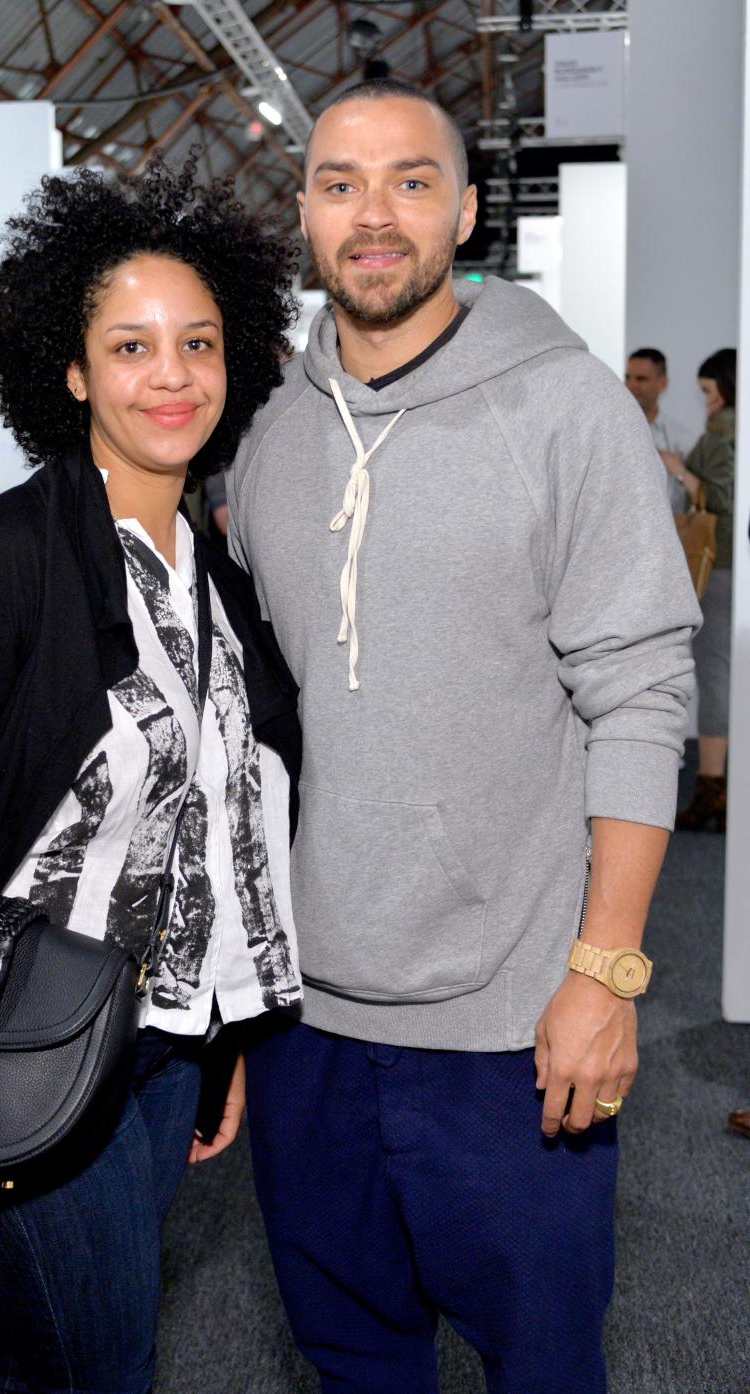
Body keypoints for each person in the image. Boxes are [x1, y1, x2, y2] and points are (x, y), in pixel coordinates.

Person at [228, 78, 700, 1394]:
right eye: (339, 184)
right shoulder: (260, 437)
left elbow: (643, 694)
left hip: (516, 1031)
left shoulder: (569, 412)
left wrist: (604, 974)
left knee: (542, 1365)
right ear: (305, 214)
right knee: (351, 1358)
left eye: (411, 182)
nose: (373, 216)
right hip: (306, 1028)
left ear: (469, 211)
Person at [0, 163, 301, 1394]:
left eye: (199, 341)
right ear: (74, 370)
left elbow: (212, 824)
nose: (174, 373)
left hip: (156, 1057)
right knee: (99, 1362)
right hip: (20, 1047)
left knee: (47, 1357)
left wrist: (220, 1035)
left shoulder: (219, 576)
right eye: (132, 344)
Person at [673, 348, 736, 833]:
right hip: (732, 563)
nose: (705, 403)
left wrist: (678, 469)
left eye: (708, 393)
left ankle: (712, 784)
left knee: (714, 669)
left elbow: (720, 499)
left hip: (722, 561)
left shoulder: (724, 433)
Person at [624, 346, 697, 511]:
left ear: (662, 383)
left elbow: (700, 495)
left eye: (641, 379)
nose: (630, 385)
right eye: (627, 377)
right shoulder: (612, 433)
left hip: (673, 532)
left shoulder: (682, 439)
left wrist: (678, 471)